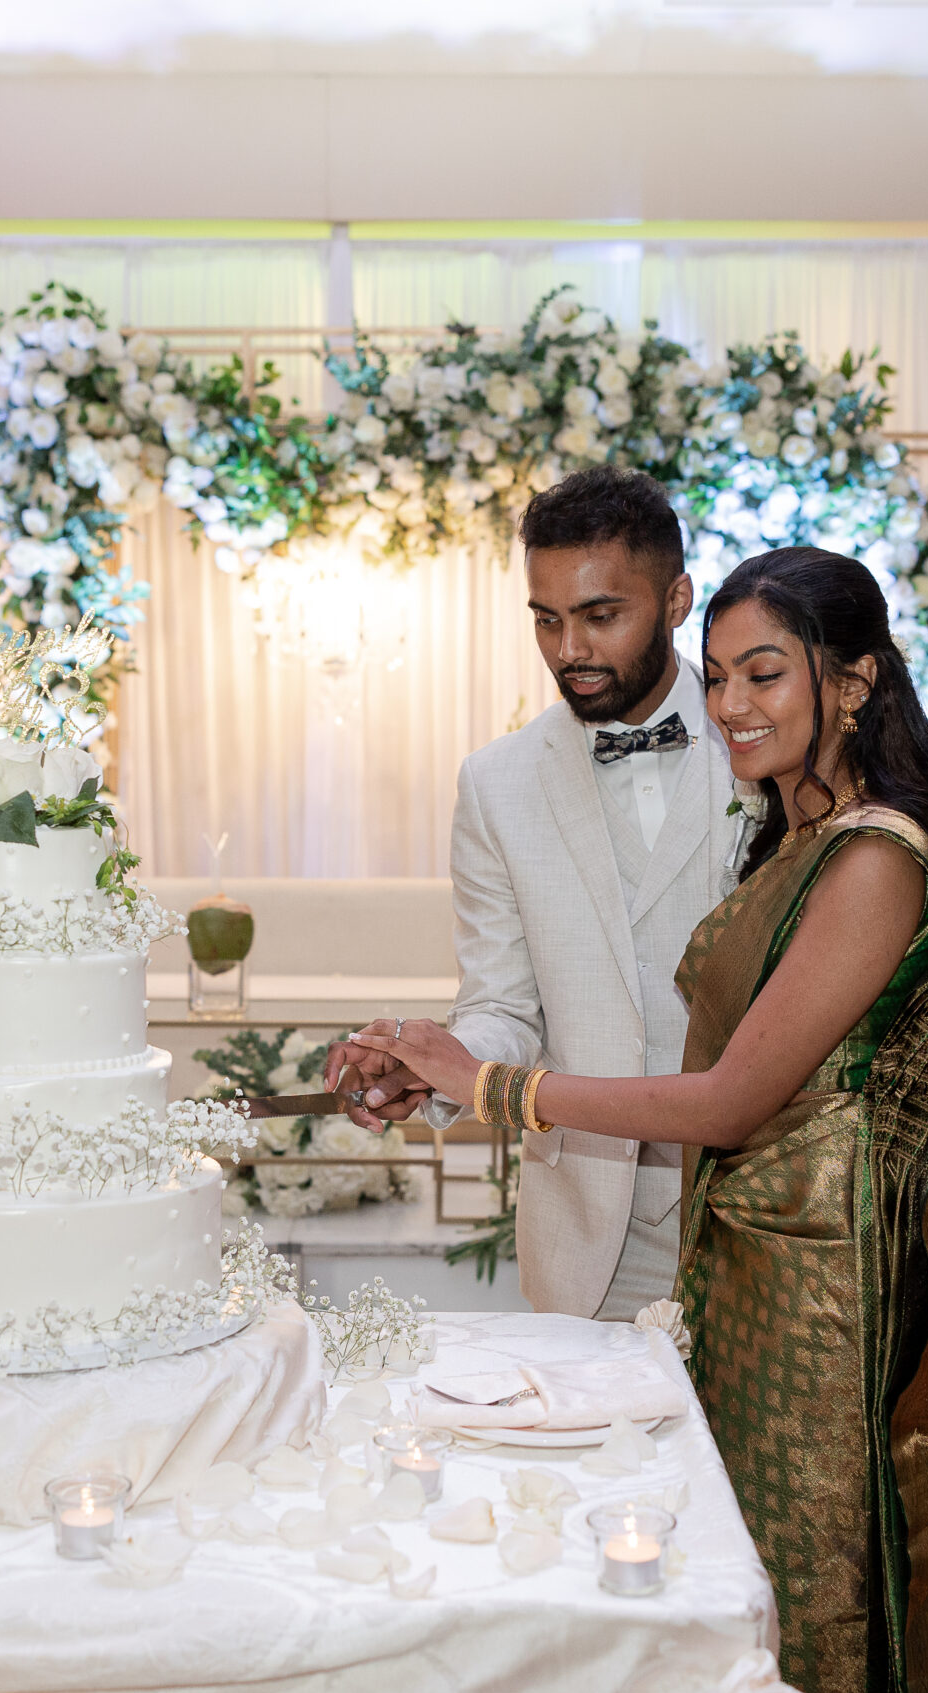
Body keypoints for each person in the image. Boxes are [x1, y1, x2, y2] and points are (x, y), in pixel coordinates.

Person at [350, 545, 928, 1693]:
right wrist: (441, 1067)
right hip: (727, 1256)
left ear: (850, 682)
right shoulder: (790, 832)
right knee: (713, 1565)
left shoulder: (871, 857)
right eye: (720, 681)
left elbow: (731, 1099)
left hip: (823, 1279)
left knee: (817, 1569)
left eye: (764, 676)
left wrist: (498, 1090)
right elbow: (507, 998)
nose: (733, 707)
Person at [329, 465, 741, 1321]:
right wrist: (432, 1061)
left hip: (763, 1213)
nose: (570, 651)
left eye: (601, 615)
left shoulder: (767, 747)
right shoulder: (497, 784)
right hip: (591, 1239)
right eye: (547, 620)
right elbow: (505, 1007)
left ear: (676, 600)